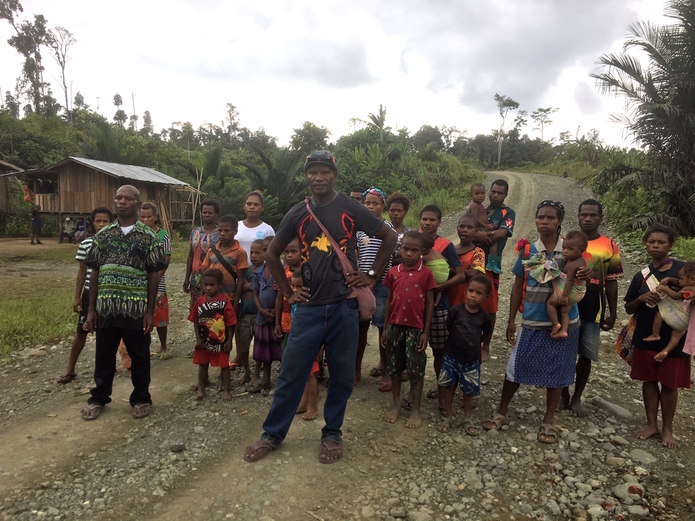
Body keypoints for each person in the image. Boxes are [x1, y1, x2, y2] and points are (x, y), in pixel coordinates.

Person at [243, 150, 396, 465]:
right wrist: (288, 291)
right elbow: (272, 254)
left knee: (340, 376)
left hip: (344, 306)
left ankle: (332, 434)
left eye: (325, 171)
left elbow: (388, 236)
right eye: (313, 172)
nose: (318, 177)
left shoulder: (351, 208)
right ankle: (272, 434)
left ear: (334, 175)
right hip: (309, 309)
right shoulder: (298, 213)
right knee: (290, 373)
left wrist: (371, 275)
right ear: (307, 176)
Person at [483, 200, 589, 444]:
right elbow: (518, 286)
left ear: (560, 221)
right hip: (532, 318)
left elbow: (584, 274)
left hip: (566, 322)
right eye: (540, 217)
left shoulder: (571, 249)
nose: (544, 221)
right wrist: (511, 320)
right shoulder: (529, 250)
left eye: (550, 218)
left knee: (559, 370)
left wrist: (588, 272)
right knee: (515, 368)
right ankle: (502, 411)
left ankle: (549, 420)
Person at [81, 185, 166, 421]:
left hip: (136, 309)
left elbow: (153, 275)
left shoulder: (149, 237)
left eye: (128, 198)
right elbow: (94, 272)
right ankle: (99, 397)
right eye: (118, 197)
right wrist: (91, 309)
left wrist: (150, 311)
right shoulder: (103, 235)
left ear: (138, 205)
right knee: (103, 355)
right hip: (106, 307)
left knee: (139, 355)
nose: (122, 201)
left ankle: (141, 398)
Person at [625, 224, 691, 448]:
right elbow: (629, 307)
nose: (655, 245)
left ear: (670, 245)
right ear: (646, 244)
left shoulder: (684, 272)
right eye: (651, 241)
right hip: (645, 334)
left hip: (675, 339)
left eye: (661, 242)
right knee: (649, 380)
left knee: (670, 384)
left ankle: (667, 429)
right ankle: (651, 424)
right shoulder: (641, 275)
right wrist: (642, 300)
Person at [560, 200, 623, 417]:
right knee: (564, 352)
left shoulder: (609, 245)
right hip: (568, 306)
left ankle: (577, 397)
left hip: (593, 309)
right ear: (577, 216)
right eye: (584, 214)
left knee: (586, 356)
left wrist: (612, 313)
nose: (588, 218)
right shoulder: (566, 241)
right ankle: (563, 394)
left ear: (600, 218)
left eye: (593, 215)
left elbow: (612, 280)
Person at [381, 231, 436, 429]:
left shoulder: (427, 274)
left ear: (422, 251)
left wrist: (425, 332)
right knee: (394, 367)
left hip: (416, 329)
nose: (409, 254)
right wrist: (386, 328)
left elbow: (430, 304)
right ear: (400, 249)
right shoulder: (393, 272)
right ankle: (396, 405)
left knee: (416, 369)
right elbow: (388, 300)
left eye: (414, 250)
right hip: (395, 327)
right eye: (405, 249)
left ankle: (415, 410)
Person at [57, 207, 113, 384]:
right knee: (82, 331)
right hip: (90, 293)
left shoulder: (116, 243)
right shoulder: (86, 244)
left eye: (106, 221)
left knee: (111, 332)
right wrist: (77, 296)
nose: (102, 224)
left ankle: (116, 368)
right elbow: (82, 271)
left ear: (112, 223)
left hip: (110, 293)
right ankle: (70, 369)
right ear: (93, 223)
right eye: (98, 221)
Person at [419, 205, 466, 404]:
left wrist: (440, 287)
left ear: (439, 222)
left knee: (439, 350)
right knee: (415, 350)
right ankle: (415, 393)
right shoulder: (413, 240)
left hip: (439, 306)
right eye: (424, 219)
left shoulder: (445, 245)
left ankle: (442, 388)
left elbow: (460, 274)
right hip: (415, 305)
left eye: (432, 220)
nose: (428, 223)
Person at [438, 274, 493, 435]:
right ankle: (448, 416)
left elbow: (486, 334)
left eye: (478, 293)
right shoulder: (456, 310)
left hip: (471, 360)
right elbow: (449, 327)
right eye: (471, 291)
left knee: (468, 391)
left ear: (486, 297)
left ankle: (467, 418)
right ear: (466, 291)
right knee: (449, 387)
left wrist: (480, 346)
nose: (473, 295)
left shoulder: (484, 317)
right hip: (451, 356)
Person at [355, 187, 396, 390]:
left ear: (383, 206)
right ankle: (355, 370)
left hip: (381, 285)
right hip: (362, 284)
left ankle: (386, 369)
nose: (371, 207)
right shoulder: (358, 229)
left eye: (375, 203)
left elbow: (388, 257)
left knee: (383, 327)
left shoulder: (387, 228)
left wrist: (372, 281)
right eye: (367, 203)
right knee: (360, 328)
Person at [189, 268, 236, 402]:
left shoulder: (224, 303)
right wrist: (198, 338)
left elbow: (230, 323)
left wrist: (229, 340)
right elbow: (195, 321)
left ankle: (226, 389)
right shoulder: (199, 302)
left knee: (224, 366)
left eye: (212, 285)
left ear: (220, 285)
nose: (208, 288)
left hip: (220, 341)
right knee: (202, 365)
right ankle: (201, 388)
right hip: (203, 342)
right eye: (205, 284)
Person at [475, 179, 516, 333]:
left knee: (490, 305)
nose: (496, 195)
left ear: (505, 195)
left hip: (491, 265)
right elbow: (466, 228)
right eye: (493, 191)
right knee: (470, 299)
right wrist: (477, 235)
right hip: (474, 262)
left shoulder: (508, 212)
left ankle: (486, 342)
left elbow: (501, 233)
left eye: (500, 193)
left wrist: (478, 235)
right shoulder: (482, 209)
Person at [539, 230, 588, 339]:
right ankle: (564, 331)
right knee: (564, 312)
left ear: (581, 250)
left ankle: (555, 323)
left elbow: (569, 281)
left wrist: (564, 296)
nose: (565, 251)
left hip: (569, 292)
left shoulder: (572, 265)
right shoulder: (580, 260)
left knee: (551, 303)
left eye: (570, 249)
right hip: (578, 294)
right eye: (564, 248)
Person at [139, 203, 172, 359]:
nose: (145, 220)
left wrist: (154, 279)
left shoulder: (162, 235)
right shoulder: (137, 234)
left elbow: (165, 261)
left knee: (160, 315)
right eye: (142, 217)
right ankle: (142, 347)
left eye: (149, 216)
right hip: (138, 282)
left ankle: (164, 346)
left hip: (158, 282)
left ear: (156, 217)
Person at [643, 262, 695, 361]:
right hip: (686, 323)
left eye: (681, 279)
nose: (679, 281)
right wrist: (669, 279)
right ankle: (666, 351)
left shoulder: (689, 288)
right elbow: (678, 283)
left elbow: (675, 296)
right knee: (676, 335)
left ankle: (655, 334)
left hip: (681, 317)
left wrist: (665, 288)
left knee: (659, 315)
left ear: (692, 279)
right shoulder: (691, 285)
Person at [448, 215, 496, 317]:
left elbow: (474, 274)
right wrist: (465, 271)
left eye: (470, 227)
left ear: (476, 231)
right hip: (449, 298)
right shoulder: (450, 249)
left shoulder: (478, 252)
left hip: (467, 303)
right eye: (462, 226)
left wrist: (451, 270)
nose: (465, 230)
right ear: (457, 228)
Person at [289, 268, 321, 421]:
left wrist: (319, 347)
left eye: (299, 287)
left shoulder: (312, 303)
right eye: (293, 286)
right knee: (305, 374)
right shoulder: (297, 302)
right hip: (300, 342)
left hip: (310, 343)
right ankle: (303, 403)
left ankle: (313, 406)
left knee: (310, 375)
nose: (295, 290)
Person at [250, 235, 281, 392]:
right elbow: (255, 294)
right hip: (262, 317)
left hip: (279, 318)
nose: (266, 252)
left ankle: (283, 383)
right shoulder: (258, 272)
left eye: (270, 249)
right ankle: (266, 380)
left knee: (281, 349)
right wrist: (261, 310)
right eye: (264, 250)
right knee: (265, 351)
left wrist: (277, 312)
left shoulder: (281, 270)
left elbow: (282, 294)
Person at [184, 199, 220, 311]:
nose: (206, 215)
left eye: (210, 213)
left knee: (211, 314)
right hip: (195, 280)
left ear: (217, 215)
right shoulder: (195, 232)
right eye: (204, 212)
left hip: (213, 282)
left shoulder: (220, 233)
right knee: (195, 312)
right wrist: (187, 278)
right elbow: (191, 255)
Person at [235, 240, 261, 386]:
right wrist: (254, 285)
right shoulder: (246, 269)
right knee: (243, 344)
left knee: (259, 345)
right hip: (245, 313)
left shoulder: (267, 270)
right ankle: (246, 370)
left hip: (260, 315)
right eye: (252, 252)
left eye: (258, 252)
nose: (254, 255)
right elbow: (240, 285)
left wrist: (248, 286)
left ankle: (257, 372)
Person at [274, 237, 303, 355]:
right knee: (288, 353)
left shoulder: (308, 272)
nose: (289, 255)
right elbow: (279, 299)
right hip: (286, 322)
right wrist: (277, 323)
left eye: (293, 251)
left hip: (305, 322)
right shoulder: (282, 273)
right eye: (286, 252)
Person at [466, 183, 499, 273]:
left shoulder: (480, 205)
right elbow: (474, 218)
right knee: (495, 239)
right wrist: (486, 226)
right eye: (477, 194)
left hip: (481, 228)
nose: (480, 196)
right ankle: (492, 263)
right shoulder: (474, 205)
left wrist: (489, 225)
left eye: (482, 193)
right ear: (471, 195)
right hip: (478, 230)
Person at [235, 191, 275, 260]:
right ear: (244, 206)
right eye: (249, 204)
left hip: (259, 270)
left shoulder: (268, 229)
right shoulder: (236, 226)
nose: (252, 207)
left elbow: (273, 252)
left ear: (262, 207)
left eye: (256, 205)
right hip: (236, 269)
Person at [385, 191, 411, 264]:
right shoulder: (383, 230)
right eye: (392, 210)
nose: (395, 213)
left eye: (399, 211)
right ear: (388, 211)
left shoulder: (410, 233)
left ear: (405, 212)